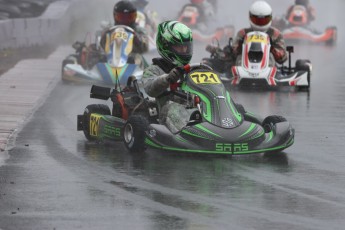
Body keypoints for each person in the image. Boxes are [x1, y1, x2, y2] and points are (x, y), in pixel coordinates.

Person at [142, 21, 194, 132]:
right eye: (179, 48)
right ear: (166, 46)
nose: (184, 51)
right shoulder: (154, 69)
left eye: (186, 47)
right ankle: (191, 137)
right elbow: (150, 89)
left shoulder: (191, 70)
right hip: (165, 112)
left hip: (191, 109)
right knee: (173, 109)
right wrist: (167, 78)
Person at [206, 0, 287, 69]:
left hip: (269, 67)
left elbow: (282, 58)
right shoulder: (243, 33)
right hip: (243, 66)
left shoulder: (275, 34)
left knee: (272, 57)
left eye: (263, 20)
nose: (260, 23)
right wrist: (218, 51)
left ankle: (267, 71)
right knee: (208, 62)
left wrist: (270, 47)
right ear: (250, 18)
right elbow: (233, 54)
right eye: (257, 20)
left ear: (270, 18)